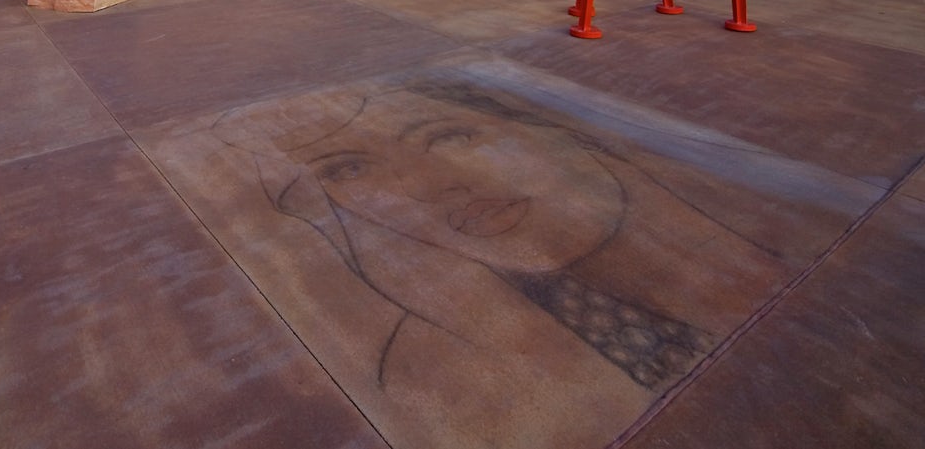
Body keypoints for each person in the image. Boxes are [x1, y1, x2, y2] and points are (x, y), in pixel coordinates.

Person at [213, 79, 789, 398]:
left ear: (547, 128)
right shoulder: (426, 380)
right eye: (347, 172)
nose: (429, 187)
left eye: (449, 135)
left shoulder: (765, 269)